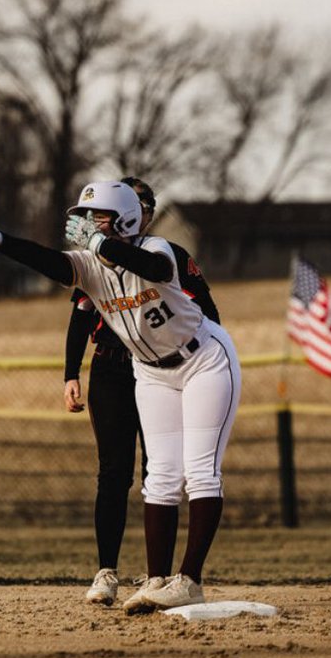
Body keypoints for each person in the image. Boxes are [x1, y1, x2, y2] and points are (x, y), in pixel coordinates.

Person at [0, 182, 241, 614]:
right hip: (151, 370)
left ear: (124, 217)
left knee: (199, 472)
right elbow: (50, 262)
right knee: (159, 476)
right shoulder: (90, 265)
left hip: (204, 361)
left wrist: (102, 242)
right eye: (85, 217)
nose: (86, 224)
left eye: (97, 215)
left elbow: (152, 268)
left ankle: (190, 580)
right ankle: (158, 581)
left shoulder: (160, 247)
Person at [64, 177, 221, 607]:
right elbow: (81, 315)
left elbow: (205, 309)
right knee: (113, 473)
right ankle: (106, 572)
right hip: (113, 372)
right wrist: (69, 373)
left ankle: (163, 577)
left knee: (162, 472)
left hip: (165, 369)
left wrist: (208, 365)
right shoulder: (97, 261)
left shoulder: (163, 255)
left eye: (146, 204)